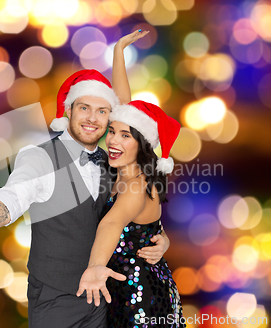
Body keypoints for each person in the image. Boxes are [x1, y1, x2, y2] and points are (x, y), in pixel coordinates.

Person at [0, 67, 171, 327]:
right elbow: (14, 196)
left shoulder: (111, 161)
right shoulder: (40, 157)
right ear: (68, 110)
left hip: (108, 297)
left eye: (102, 111)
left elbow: (134, 207)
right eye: (84, 108)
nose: (92, 118)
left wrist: (157, 237)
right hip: (57, 303)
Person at [76, 31, 186, 327]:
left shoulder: (136, 184)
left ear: (143, 146)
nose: (113, 139)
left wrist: (95, 268)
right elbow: (124, 107)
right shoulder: (122, 168)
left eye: (125, 136)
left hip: (141, 301)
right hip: (126, 291)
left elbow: (112, 223)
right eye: (112, 131)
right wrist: (119, 52)